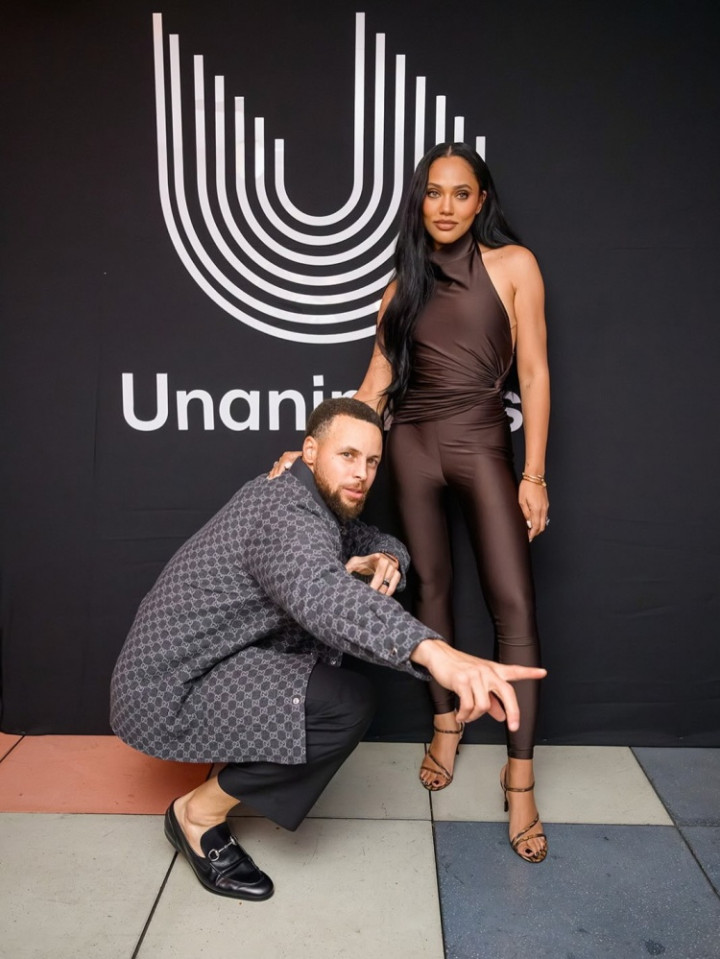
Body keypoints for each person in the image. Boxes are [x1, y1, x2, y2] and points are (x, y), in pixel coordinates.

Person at [110, 397, 546, 900]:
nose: (362, 473)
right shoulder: (284, 513)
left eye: (372, 461)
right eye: (348, 456)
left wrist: (385, 557)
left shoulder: (315, 499)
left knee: (333, 693)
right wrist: (434, 652)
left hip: (208, 662)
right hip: (168, 688)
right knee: (342, 706)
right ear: (311, 451)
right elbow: (322, 593)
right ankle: (194, 816)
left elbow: (372, 538)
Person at [270, 144, 550, 863]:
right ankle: (447, 723)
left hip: (482, 446)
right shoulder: (401, 288)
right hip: (413, 450)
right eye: (434, 193)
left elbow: (534, 372)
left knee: (514, 604)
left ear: (481, 201)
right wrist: (311, 449)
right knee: (430, 591)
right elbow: (373, 385)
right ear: (419, 201)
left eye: (461, 193)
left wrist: (535, 473)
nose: (446, 206)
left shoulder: (514, 265)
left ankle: (519, 779)